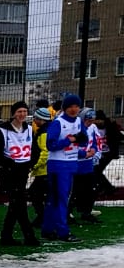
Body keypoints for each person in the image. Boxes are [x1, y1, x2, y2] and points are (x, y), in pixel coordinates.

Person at [42, 93, 89, 242]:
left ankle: (48, 229)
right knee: (60, 199)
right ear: (65, 108)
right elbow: (51, 145)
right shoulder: (58, 123)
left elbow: (83, 140)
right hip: (58, 165)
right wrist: (70, 140)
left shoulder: (79, 122)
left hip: (70, 164)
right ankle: (62, 231)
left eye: (76, 106)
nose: (74, 109)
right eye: (70, 107)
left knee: (56, 199)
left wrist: (82, 148)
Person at [0, 101, 38, 246]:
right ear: (13, 113)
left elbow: (35, 149)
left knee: (16, 205)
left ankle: (6, 236)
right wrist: (7, 164)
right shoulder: (2, 130)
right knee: (19, 203)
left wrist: (31, 163)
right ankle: (29, 236)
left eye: (24, 111)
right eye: (19, 111)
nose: (22, 114)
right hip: (9, 171)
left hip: (23, 170)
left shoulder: (29, 129)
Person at [29, 107, 51, 229]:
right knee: (39, 195)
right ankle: (43, 216)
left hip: (44, 170)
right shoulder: (46, 130)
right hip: (46, 170)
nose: (34, 120)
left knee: (35, 194)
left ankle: (42, 217)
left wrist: (36, 165)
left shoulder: (43, 133)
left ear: (41, 119)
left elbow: (45, 152)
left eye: (35, 118)